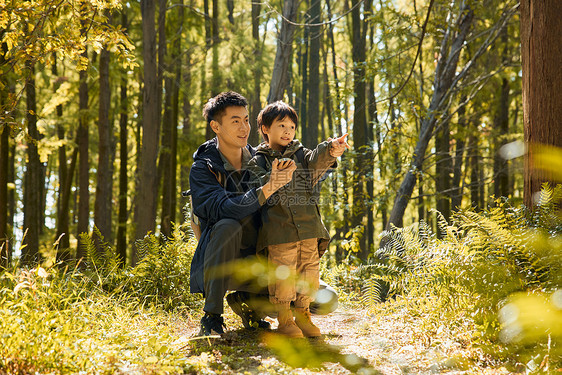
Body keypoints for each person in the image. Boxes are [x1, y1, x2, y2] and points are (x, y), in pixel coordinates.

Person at [189, 91, 297, 336]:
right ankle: (212, 317)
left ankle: (247, 301)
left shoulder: (261, 159)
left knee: (322, 301)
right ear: (215, 126)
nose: (244, 127)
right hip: (219, 263)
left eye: (247, 120)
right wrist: (270, 186)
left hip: (260, 259)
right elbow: (226, 208)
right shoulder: (203, 168)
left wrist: (329, 155)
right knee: (228, 225)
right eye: (235, 121)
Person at [248, 101, 350, 338]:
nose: (287, 131)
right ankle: (284, 318)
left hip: (308, 227)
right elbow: (256, 187)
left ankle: (303, 313)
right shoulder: (258, 159)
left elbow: (316, 161)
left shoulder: (301, 154)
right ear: (265, 128)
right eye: (281, 125)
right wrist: (273, 176)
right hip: (279, 230)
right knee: (283, 272)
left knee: (309, 270)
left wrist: (331, 148)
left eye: (291, 126)